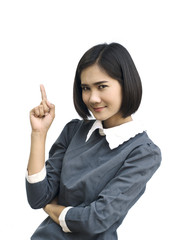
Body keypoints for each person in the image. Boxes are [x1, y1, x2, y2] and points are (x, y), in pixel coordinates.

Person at [26, 43, 161, 240]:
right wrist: (38, 134)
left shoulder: (143, 152)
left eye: (102, 86)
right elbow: (38, 197)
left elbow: (94, 221)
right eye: (86, 88)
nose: (93, 98)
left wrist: (51, 208)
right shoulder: (74, 131)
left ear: (126, 84)